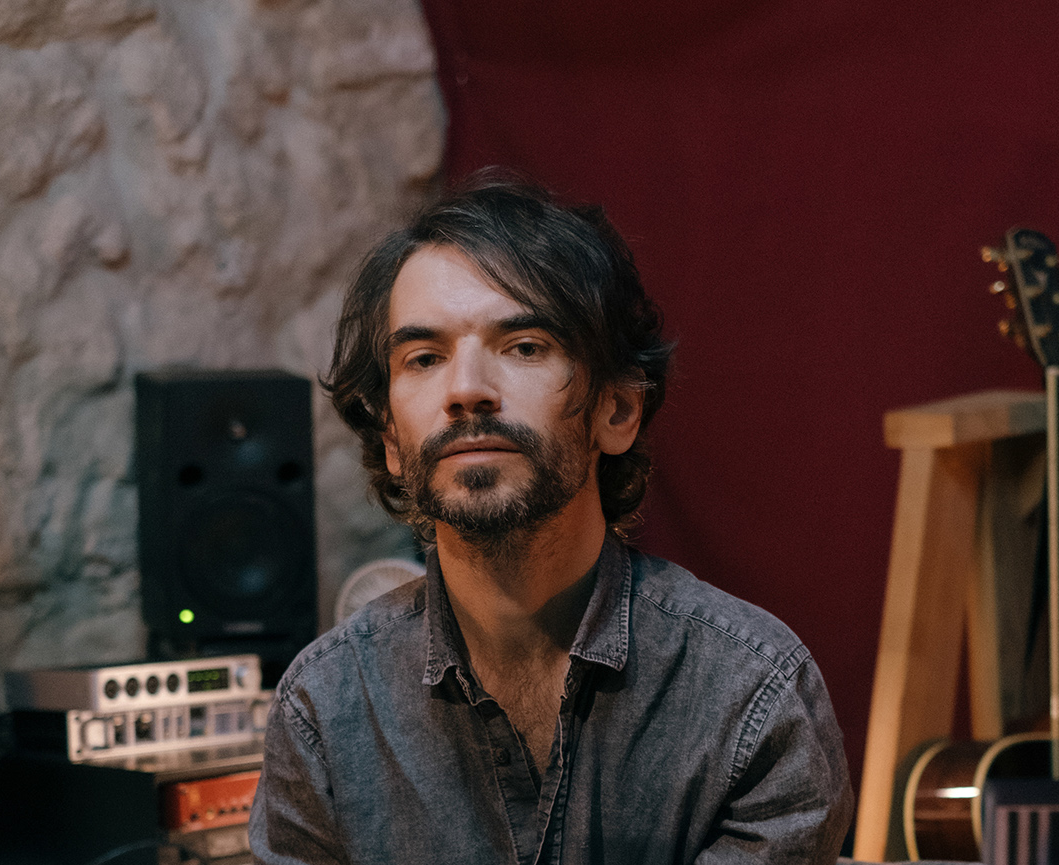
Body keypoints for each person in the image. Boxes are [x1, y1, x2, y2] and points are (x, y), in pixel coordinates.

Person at [248, 174, 853, 864]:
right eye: (424, 358)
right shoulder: (323, 711)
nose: (466, 389)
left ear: (617, 409)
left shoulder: (753, 697)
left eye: (524, 346)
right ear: (390, 436)